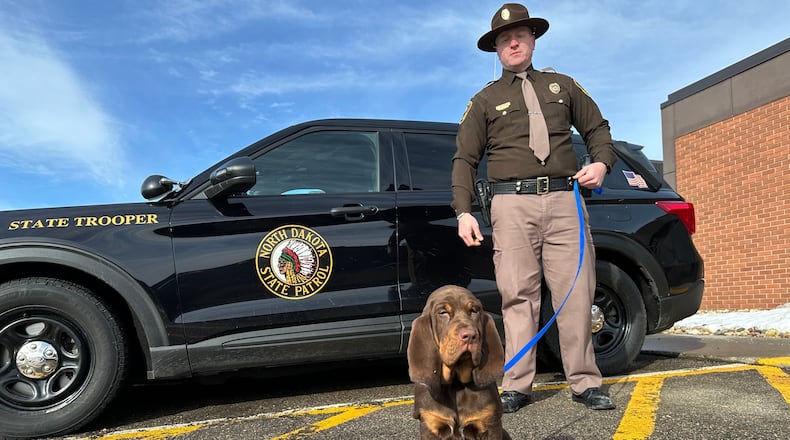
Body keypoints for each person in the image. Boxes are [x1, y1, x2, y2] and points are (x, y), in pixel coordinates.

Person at [451, 3, 618, 413]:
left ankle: (584, 382)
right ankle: (517, 385)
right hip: (511, 206)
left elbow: (598, 128)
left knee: (576, 295)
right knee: (517, 296)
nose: (513, 42)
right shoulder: (485, 100)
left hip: (565, 201)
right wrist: (463, 211)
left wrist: (600, 162)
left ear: (533, 39)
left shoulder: (563, 86)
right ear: (496, 48)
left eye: (520, 35)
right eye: (505, 38)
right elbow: (464, 160)